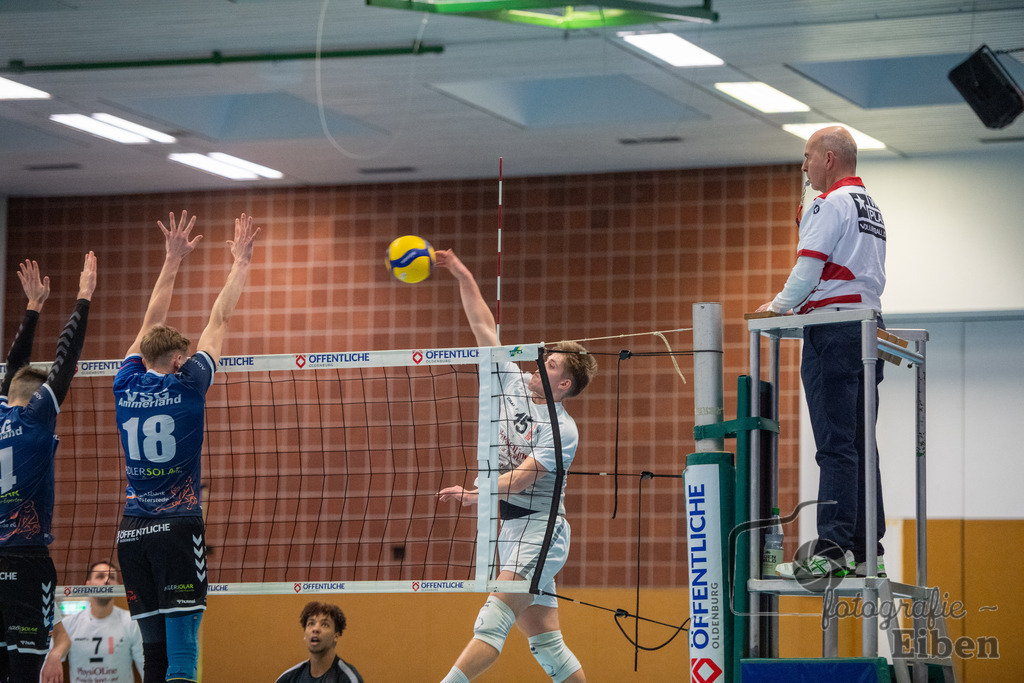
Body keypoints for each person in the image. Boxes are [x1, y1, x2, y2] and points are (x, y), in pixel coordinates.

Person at [435, 250, 596, 683]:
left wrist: (477, 493)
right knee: (548, 645)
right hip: (513, 529)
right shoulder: (512, 380)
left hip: (541, 528)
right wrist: (462, 273)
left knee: (492, 620)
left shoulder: (563, 428)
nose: (542, 361)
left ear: (564, 384)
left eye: (552, 363)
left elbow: (525, 476)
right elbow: (484, 325)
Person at [113, 211, 259, 683]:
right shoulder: (190, 383)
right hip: (176, 528)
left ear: (143, 356)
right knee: (182, 656)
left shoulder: (124, 381)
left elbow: (151, 320)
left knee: (153, 655)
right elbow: (221, 317)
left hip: (132, 530)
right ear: (179, 358)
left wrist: (172, 259)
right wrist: (240, 262)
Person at [755, 125, 887, 579]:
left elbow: (808, 268)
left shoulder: (830, 204)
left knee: (835, 448)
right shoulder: (869, 206)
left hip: (833, 329)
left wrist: (776, 308)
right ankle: (868, 549)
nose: (805, 166)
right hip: (869, 330)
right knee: (858, 445)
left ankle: (830, 550)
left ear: (829, 159)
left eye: (809, 157)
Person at [0, 254, 96, 682]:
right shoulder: (38, 416)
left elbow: (11, 370)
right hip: (27, 560)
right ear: (39, 397)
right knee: (27, 669)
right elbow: (65, 358)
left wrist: (33, 306)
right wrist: (84, 298)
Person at [42, 561, 144, 683]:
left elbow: (145, 666)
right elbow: (47, 664)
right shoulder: (69, 624)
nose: (106, 581)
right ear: (87, 584)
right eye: (100, 576)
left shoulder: (131, 622)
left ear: (117, 586)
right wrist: (54, 655)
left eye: (111, 577)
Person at [275, 601, 363, 683]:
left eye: (324, 624)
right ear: (305, 634)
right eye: (311, 623)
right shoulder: (288, 678)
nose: (315, 629)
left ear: (336, 635)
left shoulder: (348, 679)